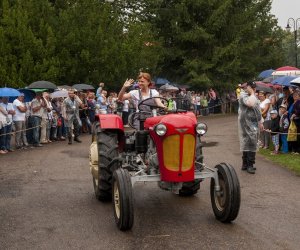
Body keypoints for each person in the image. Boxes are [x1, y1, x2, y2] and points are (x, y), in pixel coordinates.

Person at [238, 81, 263, 174]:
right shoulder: (243, 95)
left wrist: (261, 122)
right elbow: (250, 104)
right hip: (246, 124)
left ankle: (247, 164)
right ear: (248, 87)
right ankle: (249, 165)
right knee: (249, 143)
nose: (254, 89)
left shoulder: (253, 96)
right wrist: (252, 93)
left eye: (254, 88)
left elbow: (258, 110)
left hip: (254, 123)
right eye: (252, 87)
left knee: (251, 143)